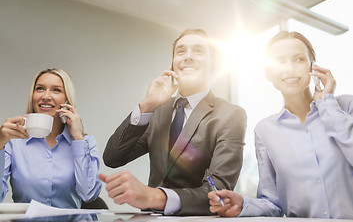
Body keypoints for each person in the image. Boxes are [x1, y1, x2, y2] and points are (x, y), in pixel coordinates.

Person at [100, 29, 247, 215]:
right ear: (173, 65)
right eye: (181, 51)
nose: (188, 57)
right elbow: (112, 158)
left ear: (213, 65)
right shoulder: (157, 111)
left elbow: (217, 191)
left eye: (198, 51)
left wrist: (153, 196)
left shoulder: (230, 115)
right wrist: (146, 106)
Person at [208, 31, 353, 219]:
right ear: (268, 73)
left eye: (299, 59)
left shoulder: (345, 107)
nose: (289, 69)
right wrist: (243, 204)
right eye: (279, 61)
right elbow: (273, 204)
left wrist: (327, 104)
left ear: (312, 67)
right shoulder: (264, 131)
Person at [0, 68, 102, 208]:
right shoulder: (13, 143)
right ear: (33, 96)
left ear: (67, 99)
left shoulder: (85, 142)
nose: (46, 96)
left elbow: (89, 194)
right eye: (40, 89)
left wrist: (78, 138)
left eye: (56, 90)